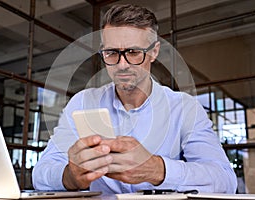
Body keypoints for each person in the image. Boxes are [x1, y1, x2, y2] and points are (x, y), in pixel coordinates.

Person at [32, 4, 237, 194]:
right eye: (112, 53)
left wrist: (157, 170)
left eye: (133, 52)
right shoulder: (82, 102)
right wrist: (70, 177)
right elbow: (41, 174)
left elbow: (226, 180)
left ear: (154, 52)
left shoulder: (184, 108)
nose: (122, 65)